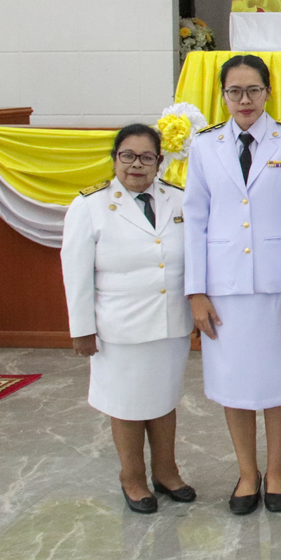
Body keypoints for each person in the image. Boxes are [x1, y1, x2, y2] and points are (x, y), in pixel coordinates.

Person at [184, 55, 281, 515]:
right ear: (222, 95)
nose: (244, 100)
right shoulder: (205, 145)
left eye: (253, 90)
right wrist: (196, 291)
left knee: (279, 383)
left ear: (268, 92)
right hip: (225, 288)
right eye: (234, 91)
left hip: (280, 285)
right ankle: (246, 472)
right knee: (233, 383)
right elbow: (194, 219)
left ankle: (276, 471)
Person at [60, 124, 195, 514]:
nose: (137, 164)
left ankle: (167, 472)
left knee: (164, 400)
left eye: (146, 157)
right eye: (128, 156)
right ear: (115, 158)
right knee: (126, 406)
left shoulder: (178, 200)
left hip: (170, 324)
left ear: (159, 161)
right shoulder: (90, 205)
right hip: (119, 328)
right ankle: (132, 477)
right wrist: (82, 329)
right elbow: (75, 272)